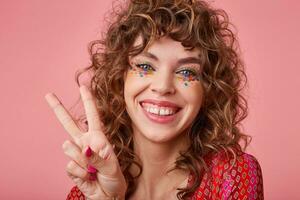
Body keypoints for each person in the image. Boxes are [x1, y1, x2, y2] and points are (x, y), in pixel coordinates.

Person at [45, 0, 264, 199]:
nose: (163, 87)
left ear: (208, 89)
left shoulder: (233, 174)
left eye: (187, 72)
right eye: (145, 66)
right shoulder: (87, 192)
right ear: (120, 78)